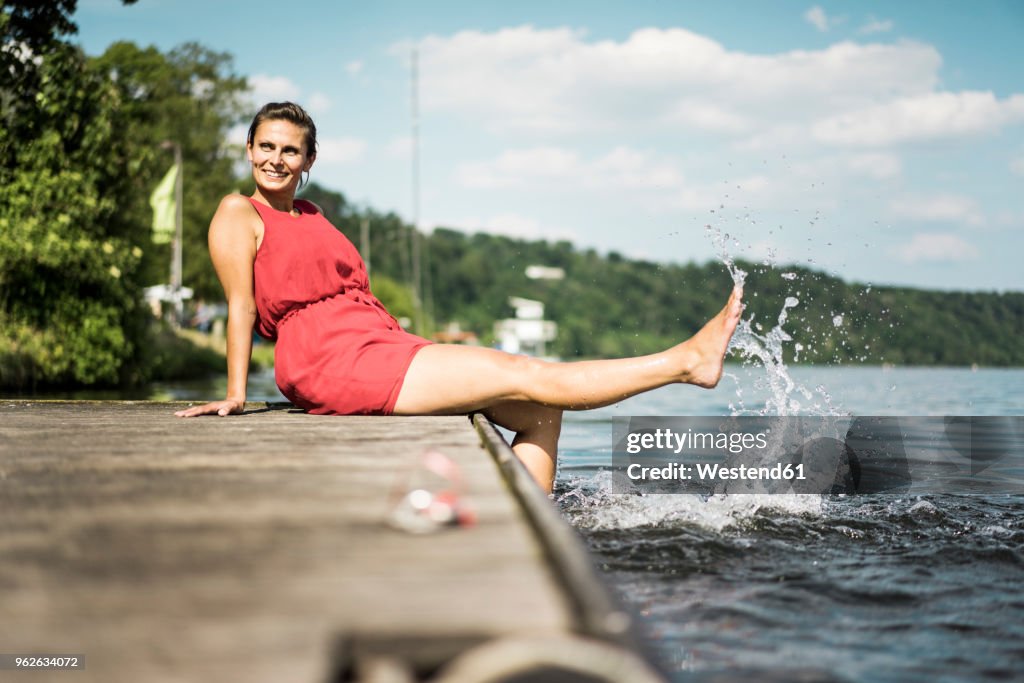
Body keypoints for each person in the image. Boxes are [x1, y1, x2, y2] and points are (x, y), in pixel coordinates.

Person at [175, 102, 744, 493]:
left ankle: (531, 529)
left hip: (380, 342)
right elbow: (242, 307)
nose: (276, 159)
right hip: (329, 358)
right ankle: (684, 363)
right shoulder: (236, 212)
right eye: (266, 146)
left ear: (309, 161)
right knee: (531, 372)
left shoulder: (313, 213)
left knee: (542, 412)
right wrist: (234, 394)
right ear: (249, 148)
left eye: (291, 151)